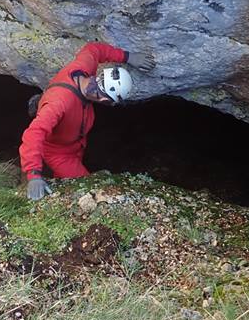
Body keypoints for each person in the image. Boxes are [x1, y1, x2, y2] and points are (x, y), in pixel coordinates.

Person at [19, 42, 155, 201]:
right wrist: (33, 174)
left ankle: (59, 180)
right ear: (104, 99)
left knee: (68, 177)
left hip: (76, 143)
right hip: (59, 153)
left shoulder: (82, 70)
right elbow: (33, 134)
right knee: (87, 186)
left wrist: (128, 57)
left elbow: (94, 49)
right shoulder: (60, 103)